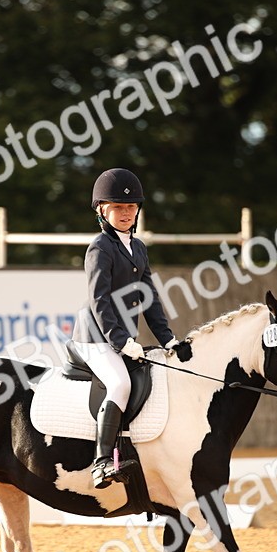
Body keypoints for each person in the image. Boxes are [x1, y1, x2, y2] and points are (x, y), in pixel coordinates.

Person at [71, 168, 193, 489]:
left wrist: (169, 340)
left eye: (130, 207)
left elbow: (150, 299)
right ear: (102, 210)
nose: (125, 213)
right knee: (120, 384)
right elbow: (99, 301)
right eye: (118, 207)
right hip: (95, 336)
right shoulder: (99, 248)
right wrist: (121, 341)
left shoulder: (138, 248)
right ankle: (100, 462)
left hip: (120, 337)